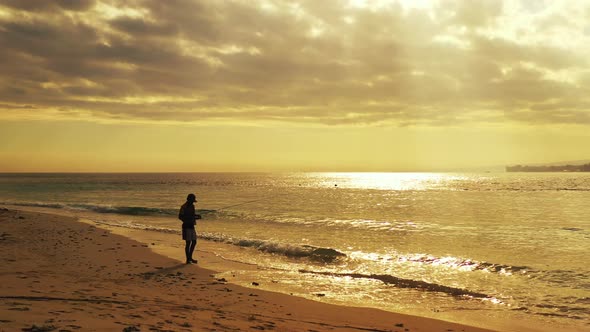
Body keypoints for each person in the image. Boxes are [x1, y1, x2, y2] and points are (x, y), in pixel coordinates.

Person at [179, 193, 200, 264]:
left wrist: (197, 216)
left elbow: (192, 215)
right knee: (188, 243)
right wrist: (187, 219)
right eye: (192, 200)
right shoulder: (183, 207)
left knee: (194, 242)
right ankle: (188, 259)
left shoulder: (192, 206)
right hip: (186, 226)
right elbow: (180, 216)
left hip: (192, 226)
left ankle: (190, 257)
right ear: (189, 200)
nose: (192, 202)